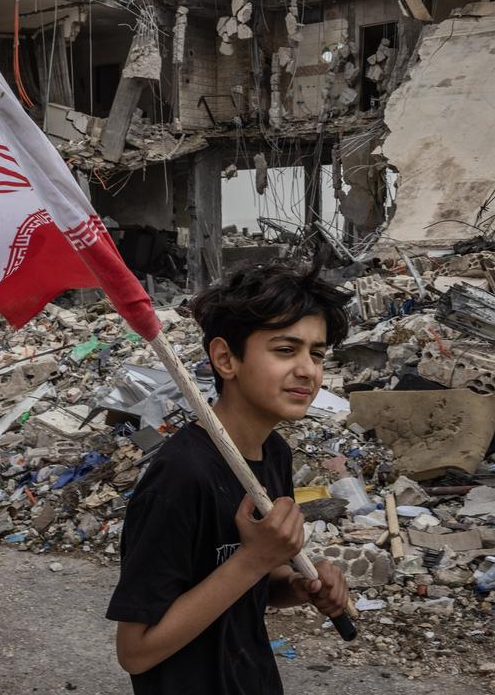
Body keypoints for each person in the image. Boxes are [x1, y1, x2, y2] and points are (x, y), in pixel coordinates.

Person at [106, 259, 352, 694]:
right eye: (285, 350)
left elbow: (254, 583)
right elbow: (136, 651)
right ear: (225, 358)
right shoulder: (182, 475)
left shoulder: (274, 453)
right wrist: (254, 559)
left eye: (316, 354)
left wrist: (298, 584)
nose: (308, 370)